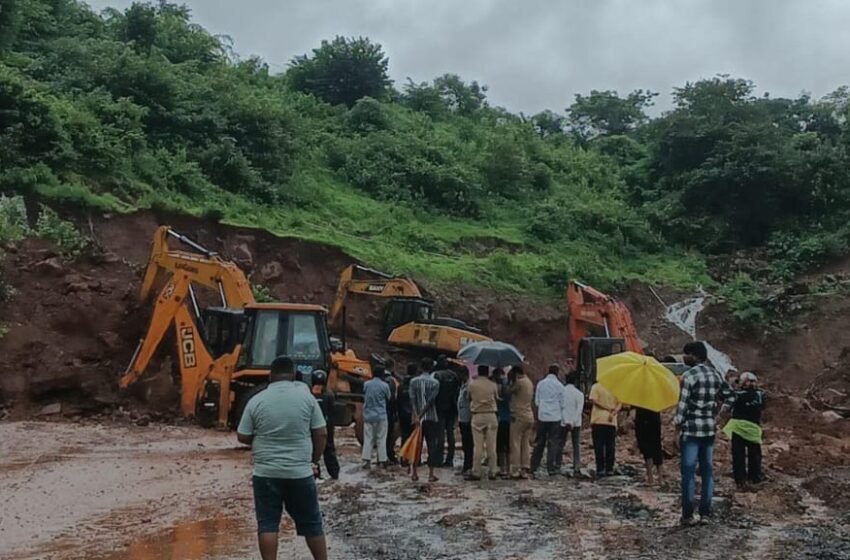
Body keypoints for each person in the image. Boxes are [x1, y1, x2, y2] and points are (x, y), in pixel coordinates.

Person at [236, 357, 328, 560]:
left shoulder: (257, 400)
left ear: (271, 375)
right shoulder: (307, 399)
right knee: (312, 524)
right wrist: (313, 460)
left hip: (266, 473)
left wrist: (262, 437)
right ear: (294, 374)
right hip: (300, 473)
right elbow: (321, 433)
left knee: (268, 524)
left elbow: (242, 435)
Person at [675, 341, 736, 526]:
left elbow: (682, 407)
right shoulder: (715, 374)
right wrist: (718, 415)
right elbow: (731, 396)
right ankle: (705, 514)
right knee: (707, 472)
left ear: (694, 355)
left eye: (686, 355)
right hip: (709, 429)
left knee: (688, 472)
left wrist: (676, 429)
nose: (684, 358)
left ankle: (687, 515)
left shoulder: (689, 376)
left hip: (691, 430)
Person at [725, 371, 766, 488]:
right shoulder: (760, 395)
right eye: (750, 381)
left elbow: (727, 406)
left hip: (743, 429)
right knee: (750, 455)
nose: (751, 384)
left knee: (743, 455)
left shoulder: (737, 395)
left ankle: (744, 479)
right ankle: (751, 478)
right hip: (749, 428)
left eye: (752, 381)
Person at [531, 364, 566, 477]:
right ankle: (551, 467)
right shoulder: (560, 386)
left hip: (543, 416)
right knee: (553, 442)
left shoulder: (541, 384)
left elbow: (536, 402)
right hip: (555, 417)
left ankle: (534, 466)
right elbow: (562, 403)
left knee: (540, 442)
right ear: (557, 373)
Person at [409, 360, 441, 482]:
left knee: (416, 444)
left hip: (416, 418)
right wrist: (422, 414)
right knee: (431, 444)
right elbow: (431, 401)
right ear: (431, 368)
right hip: (431, 417)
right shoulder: (435, 383)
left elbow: (412, 399)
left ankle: (414, 473)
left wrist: (417, 415)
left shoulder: (413, 382)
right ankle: (431, 474)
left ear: (421, 367)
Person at [467, 365, 500, 481]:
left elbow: (468, 398)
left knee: (478, 446)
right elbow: (497, 397)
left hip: (477, 415)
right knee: (492, 446)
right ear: (487, 373)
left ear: (478, 372)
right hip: (491, 415)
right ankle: (493, 471)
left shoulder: (472, 384)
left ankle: (476, 472)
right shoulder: (493, 384)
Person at [432, 355, 460, 467]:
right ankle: (450, 459)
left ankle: (438, 459)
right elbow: (457, 392)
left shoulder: (436, 375)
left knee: (440, 434)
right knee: (450, 433)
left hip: (440, 408)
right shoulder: (454, 376)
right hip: (452, 409)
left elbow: (433, 393)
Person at [362, 365, 391, 468]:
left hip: (368, 415)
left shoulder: (366, 384)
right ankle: (382, 460)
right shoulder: (385, 386)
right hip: (381, 416)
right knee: (381, 439)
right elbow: (389, 398)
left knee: (368, 438)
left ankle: (366, 460)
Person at [313, 370, 340, 480]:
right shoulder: (329, 395)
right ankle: (334, 473)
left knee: (313, 451)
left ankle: (316, 473)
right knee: (329, 449)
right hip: (326, 425)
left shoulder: (309, 394)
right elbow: (332, 411)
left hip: (313, 427)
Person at [590, 380, 620, 478]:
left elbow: (594, 400)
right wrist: (613, 411)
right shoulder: (616, 388)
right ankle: (609, 468)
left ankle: (600, 468)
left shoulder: (596, 386)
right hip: (611, 421)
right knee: (610, 445)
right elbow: (620, 403)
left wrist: (607, 408)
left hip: (598, 420)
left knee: (598, 445)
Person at [508, 365, 534, 479]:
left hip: (518, 416)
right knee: (525, 444)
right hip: (529, 416)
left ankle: (515, 469)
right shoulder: (529, 382)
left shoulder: (519, 383)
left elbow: (508, 392)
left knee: (515, 443)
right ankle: (525, 468)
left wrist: (510, 381)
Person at [561, 372, 585, 477]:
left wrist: (566, 421)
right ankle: (576, 465)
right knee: (576, 445)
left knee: (560, 444)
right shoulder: (579, 394)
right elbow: (579, 411)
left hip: (563, 421)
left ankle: (557, 464)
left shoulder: (561, 392)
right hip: (576, 423)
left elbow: (561, 408)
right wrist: (573, 422)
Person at [634, 407, 663, 485]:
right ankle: (660, 478)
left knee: (647, 450)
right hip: (655, 417)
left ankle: (650, 478)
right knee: (657, 447)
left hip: (642, 420)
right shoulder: (656, 398)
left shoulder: (640, 399)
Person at [493, 368, 512, 478]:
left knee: (501, 444)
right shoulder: (508, 384)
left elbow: (504, 400)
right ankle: (508, 468)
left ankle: (503, 468)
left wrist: (497, 398)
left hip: (502, 418)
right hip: (507, 418)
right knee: (507, 445)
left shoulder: (503, 386)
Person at [456, 367, 475, 476]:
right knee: (465, 443)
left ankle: (468, 466)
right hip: (462, 418)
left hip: (468, 418)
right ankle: (466, 466)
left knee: (468, 444)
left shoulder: (470, 386)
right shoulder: (463, 385)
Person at [384, 359, 400, 465]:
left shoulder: (378, 378)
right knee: (389, 435)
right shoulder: (391, 380)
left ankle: (382, 456)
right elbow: (392, 398)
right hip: (388, 411)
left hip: (378, 411)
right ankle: (389, 454)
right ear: (392, 367)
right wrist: (395, 412)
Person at [398, 363, 417, 449]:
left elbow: (398, 399)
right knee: (414, 436)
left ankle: (403, 456)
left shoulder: (401, 384)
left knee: (404, 435)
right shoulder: (416, 383)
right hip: (414, 414)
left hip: (402, 413)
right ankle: (411, 456)